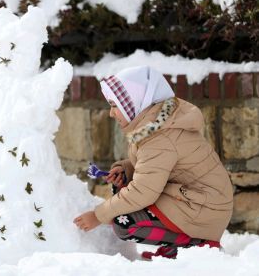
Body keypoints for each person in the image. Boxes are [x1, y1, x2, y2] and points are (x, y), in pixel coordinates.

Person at [73, 66, 233, 260]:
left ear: (132, 104)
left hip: (204, 210)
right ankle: (175, 246)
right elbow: (156, 165)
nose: (111, 113)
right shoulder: (154, 124)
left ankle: (198, 245)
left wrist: (98, 215)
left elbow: (143, 191)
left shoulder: (159, 137)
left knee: (124, 223)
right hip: (195, 200)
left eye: (115, 106)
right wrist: (126, 169)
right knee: (122, 188)